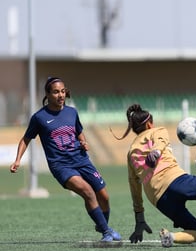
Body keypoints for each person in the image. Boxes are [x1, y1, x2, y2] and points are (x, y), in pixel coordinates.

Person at [10, 77, 121, 242]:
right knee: (88, 192)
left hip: (82, 160)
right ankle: (106, 232)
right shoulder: (39, 117)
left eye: (62, 91)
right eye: (56, 92)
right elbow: (26, 139)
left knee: (104, 195)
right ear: (47, 94)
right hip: (61, 166)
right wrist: (18, 160)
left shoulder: (72, 112)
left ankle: (102, 224)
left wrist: (83, 141)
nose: (60, 95)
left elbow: (79, 131)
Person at [112, 103, 196, 247]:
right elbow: (160, 141)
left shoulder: (131, 152)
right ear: (149, 124)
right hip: (175, 181)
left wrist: (139, 218)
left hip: (159, 199)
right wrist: (157, 152)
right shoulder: (157, 131)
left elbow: (134, 185)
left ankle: (170, 236)